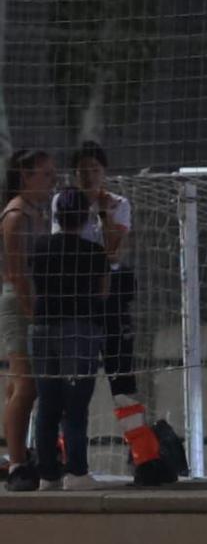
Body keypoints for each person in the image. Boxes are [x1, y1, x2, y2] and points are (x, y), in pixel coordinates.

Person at [67, 142, 168, 481]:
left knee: (122, 381)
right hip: (77, 301)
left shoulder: (119, 205)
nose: (88, 175)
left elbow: (112, 250)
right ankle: (64, 458)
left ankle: (144, 459)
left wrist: (102, 213)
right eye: (82, 170)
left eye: (94, 169)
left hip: (109, 302)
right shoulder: (64, 205)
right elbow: (65, 250)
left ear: (104, 172)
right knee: (72, 383)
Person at [28, 187, 109, 490]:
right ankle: (76, 471)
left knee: (47, 403)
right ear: (85, 217)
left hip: (42, 327)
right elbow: (102, 292)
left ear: (57, 216)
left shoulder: (39, 248)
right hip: (79, 329)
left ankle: (47, 474)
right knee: (75, 405)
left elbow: (33, 284)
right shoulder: (93, 252)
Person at [2, 150, 57, 490]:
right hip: (20, 303)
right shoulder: (17, 215)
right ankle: (17, 464)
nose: (52, 183)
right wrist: (32, 312)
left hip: (32, 300)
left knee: (18, 384)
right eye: (46, 175)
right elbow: (18, 272)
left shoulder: (35, 212)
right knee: (27, 385)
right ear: (26, 175)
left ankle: (18, 453)